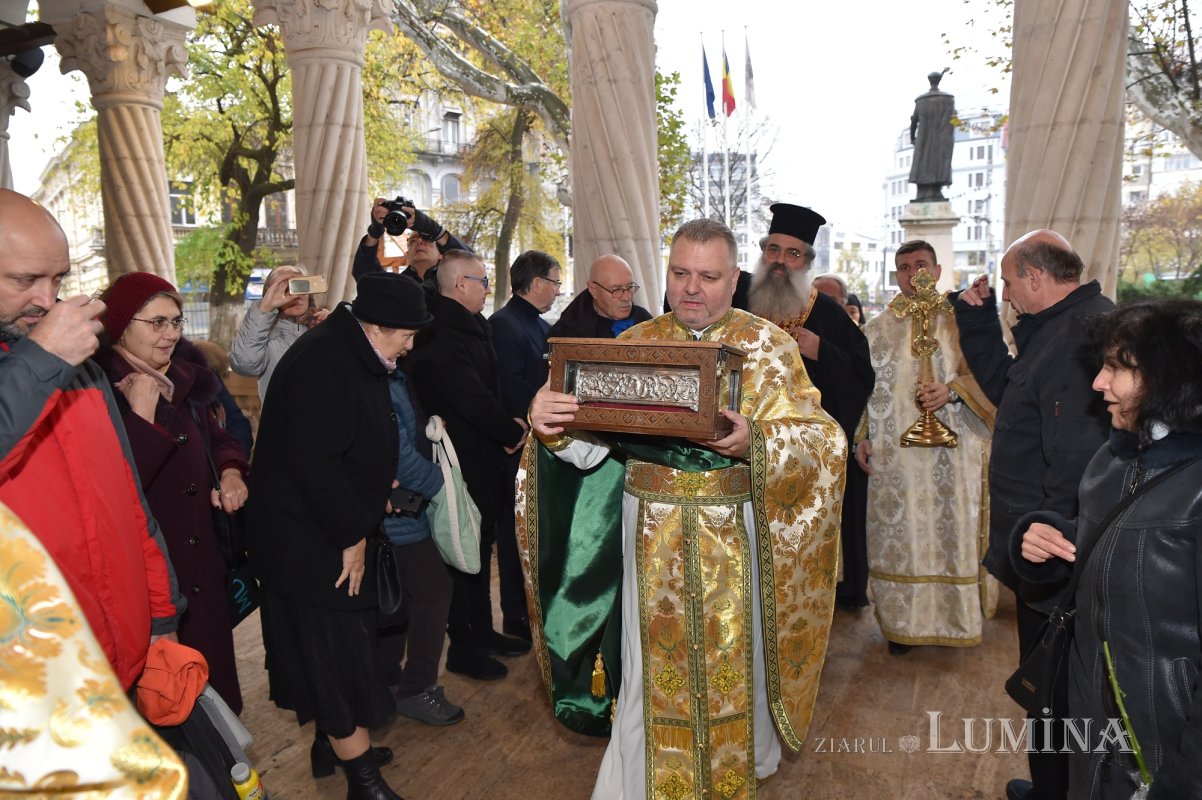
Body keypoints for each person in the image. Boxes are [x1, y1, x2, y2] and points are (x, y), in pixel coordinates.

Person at [522, 218, 846, 799]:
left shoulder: (769, 348)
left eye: (709, 276)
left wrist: (759, 443)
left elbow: (824, 443)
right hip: (650, 539)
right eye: (679, 273)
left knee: (732, 667)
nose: (691, 288)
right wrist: (551, 426)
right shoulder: (633, 345)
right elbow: (590, 448)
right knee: (649, 673)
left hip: (736, 537)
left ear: (733, 279)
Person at [246, 272, 427, 799]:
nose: (410, 346)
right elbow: (315, 467)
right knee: (333, 654)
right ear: (375, 327)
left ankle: (337, 745)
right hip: (308, 539)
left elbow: (349, 439)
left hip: (319, 524)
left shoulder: (346, 350)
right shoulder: (328, 362)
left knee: (338, 646)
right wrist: (353, 534)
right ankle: (363, 783)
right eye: (406, 335)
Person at [1016, 299, 1202, 800]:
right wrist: (1044, 539)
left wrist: (1185, 783)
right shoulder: (1113, 457)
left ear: (1172, 379)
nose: (1098, 383)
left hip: (1162, 737)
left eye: (1117, 368)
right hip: (1094, 716)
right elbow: (1108, 549)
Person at [0, 189, 183, 695]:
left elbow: (127, 498)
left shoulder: (80, 368)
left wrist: (163, 615)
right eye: (24, 280)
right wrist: (41, 360)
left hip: (117, 657)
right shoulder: (51, 356)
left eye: (57, 278)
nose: (47, 299)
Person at [954, 229, 1114, 800]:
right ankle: (1050, 786)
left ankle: (1057, 791)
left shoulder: (1078, 337)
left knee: (1058, 687)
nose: (1004, 293)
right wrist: (975, 322)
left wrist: (1048, 552)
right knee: (1049, 684)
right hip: (1042, 546)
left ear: (1036, 278)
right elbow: (1010, 391)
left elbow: (1075, 460)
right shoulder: (1058, 328)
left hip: (1053, 553)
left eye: (1007, 282)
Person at [94, 272, 251, 713]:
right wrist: (141, 416)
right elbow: (113, 490)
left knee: (218, 689)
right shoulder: (99, 391)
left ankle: (228, 776)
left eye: (176, 322)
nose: (170, 334)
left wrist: (232, 471)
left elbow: (219, 438)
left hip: (205, 561)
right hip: (153, 577)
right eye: (157, 323)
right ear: (123, 325)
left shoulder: (187, 376)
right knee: (170, 698)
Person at [854, 241, 996, 654]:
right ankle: (901, 626)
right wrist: (861, 435)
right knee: (901, 535)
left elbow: (990, 377)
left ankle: (953, 619)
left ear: (936, 270)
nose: (911, 272)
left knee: (950, 532)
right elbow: (865, 389)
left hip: (955, 453)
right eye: (902, 267)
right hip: (895, 457)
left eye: (920, 264)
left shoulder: (962, 322)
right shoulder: (876, 330)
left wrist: (953, 391)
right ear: (895, 274)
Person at [408, 250, 530, 681]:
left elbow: (486, 388)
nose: (486, 288)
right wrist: (510, 431)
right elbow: (469, 397)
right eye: (481, 280)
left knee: (479, 548)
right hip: (457, 462)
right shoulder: (440, 333)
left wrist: (507, 423)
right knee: (461, 551)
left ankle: (482, 630)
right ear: (460, 285)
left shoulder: (471, 325)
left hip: (482, 457)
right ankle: (463, 644)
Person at [747, 202, 875, 609]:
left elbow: (862, 374)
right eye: (774, 250)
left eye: (792, 253)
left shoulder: (828, 314)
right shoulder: (738, 297)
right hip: (744, 443)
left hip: (805, 453)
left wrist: (823, 352)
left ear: (806, 261)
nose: (781, 261)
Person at [488, 250, 561, 642]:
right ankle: (515, 615)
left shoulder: (538, 324)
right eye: (555, 282)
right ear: (536, 284)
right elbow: (509, 387)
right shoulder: (504, 325)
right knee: (513, 533)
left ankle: (533, 610)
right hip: (513, 446)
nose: (556, 290)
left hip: (535, 442)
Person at [229, 264, 328, 401]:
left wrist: (339, 330)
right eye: (286, 288)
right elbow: (245, 365)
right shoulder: (263, 337)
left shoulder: (326, 328)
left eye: (301, 285)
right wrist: (264, 310)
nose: (296, 295)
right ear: (270, 294)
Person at [351, 198, 467, 286]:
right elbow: (364, 275)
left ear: (441, 254)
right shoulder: (398, 285)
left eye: (427, 238)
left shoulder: (454, 281)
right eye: (413, 240)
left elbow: (470, 264)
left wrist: (433, 229)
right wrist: (374, 233)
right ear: (407, 254)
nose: (419, 242)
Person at [549, 254, 652, 339]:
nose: (626, 298)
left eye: (630, 287)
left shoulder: (645, 321)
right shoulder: (565, 333)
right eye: (616, 290)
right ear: (593, 290)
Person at [909, 70, 956, 201]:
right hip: (942, 138)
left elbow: (914, 120)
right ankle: (936, 191)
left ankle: (924, 191)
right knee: (937, 164)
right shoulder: (948, 99)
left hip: (923, 138)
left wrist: (913, 137)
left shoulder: (921, 100)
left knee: (923, 164)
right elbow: (953, 119)